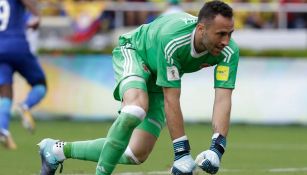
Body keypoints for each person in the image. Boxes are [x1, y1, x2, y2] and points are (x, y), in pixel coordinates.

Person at [38, 1, 239, 174]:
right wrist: (182, 153)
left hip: (156, 74)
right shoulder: (173, 40)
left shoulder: (229, 51)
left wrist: (217, 147)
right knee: (135, 109)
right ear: (202, 29)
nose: (226, 41)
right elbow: (172, 98)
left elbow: (223, 98)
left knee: (135, 153)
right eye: (221, 34)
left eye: (230, 33)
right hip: (135, 53)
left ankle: (56, 150)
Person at [0, 0, 47, 150]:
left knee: (5, 91)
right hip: (17, 45)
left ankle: (3, 129)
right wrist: (37, 15)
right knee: (40, 83)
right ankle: (25, 106)